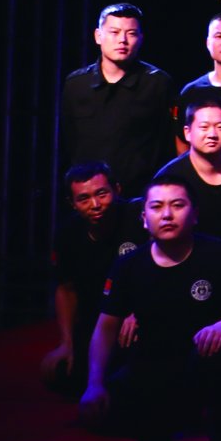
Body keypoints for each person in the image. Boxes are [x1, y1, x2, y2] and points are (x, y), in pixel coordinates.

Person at [78, 178, 221, 441]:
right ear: (144, 218)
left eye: (177, 205)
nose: (167, 215)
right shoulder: (128, 265)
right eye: (157, 207)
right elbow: (106, 326)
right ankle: (158, 431)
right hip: (152, 364)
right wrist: (94, 383)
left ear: (195, 214)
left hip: (203, 358)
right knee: (102, 412)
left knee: (216, 352)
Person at [62, 2, 175, 207]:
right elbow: (67, 141)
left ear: (141, 38)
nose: (122, 40)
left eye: (131, 33)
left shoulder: (157, 83)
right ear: (98, 36)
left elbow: (168, 144)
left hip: (142, 198)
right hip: (88, 199)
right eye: (114, 32)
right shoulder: (76, 84)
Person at [46, 163, 138, 393]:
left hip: (138, 318)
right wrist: (66, 343)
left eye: (102, 194)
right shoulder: (67, 233)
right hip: (97, 319)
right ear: (72, 203)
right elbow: (66, 289)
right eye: (84, 199)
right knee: (59, 375)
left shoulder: (140, 217)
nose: (95, 205)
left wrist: (139, 312)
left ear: (117, 189)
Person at [152, 96, 221, 260]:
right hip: (192, 267)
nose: (212, 134)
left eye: (220, 127)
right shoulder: (170, 178)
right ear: (187, 132)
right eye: (204, 127)